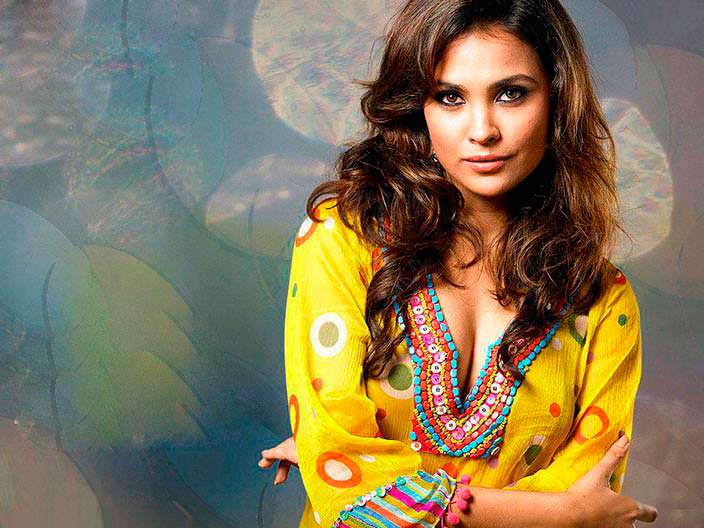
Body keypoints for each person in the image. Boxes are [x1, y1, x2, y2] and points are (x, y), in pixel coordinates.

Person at [259, 0, 659, 526]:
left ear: (558, 100)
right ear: (417, 109)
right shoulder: (344, 237)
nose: (482, 130)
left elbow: (589, 490)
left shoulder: (601, 299)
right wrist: (559, 514)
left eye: (511, 93)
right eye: (450, 97)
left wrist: (386, 485)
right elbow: (348, 489)